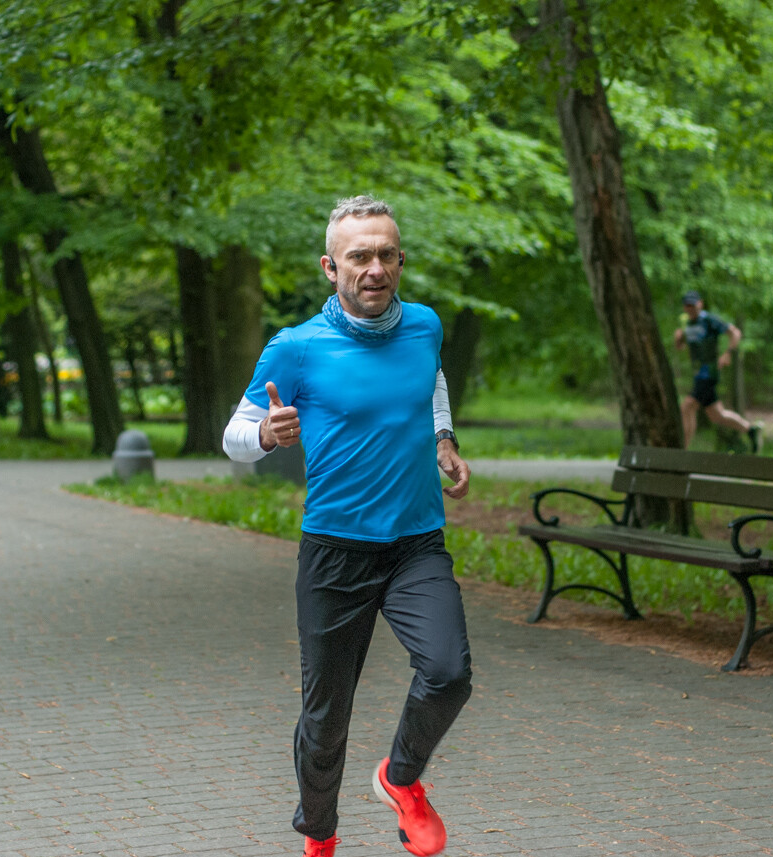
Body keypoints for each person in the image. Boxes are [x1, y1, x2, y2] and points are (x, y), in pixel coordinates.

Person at [223, 195, 473, 857]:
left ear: (400, 261)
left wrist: (443, 436)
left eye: (387, 253)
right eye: (359, 256)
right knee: (326, 719)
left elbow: (431, 378)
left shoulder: (424, 325)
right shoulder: (296, 347)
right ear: (331, 268)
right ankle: (321, 838)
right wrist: (268, 436)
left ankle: (401, 778)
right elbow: (233, 436)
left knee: (449, 671)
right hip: (336, 551)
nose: (375, 267)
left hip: (416, 543)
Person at [674, 290, 762, 453]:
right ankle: (750, 430)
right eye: (687, 306)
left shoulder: (709, 320)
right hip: (698, 373)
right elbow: (682, 347)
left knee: (687, 406)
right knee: (717, 415)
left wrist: (728, 353)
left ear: (700, 304)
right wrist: (679, 339)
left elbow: (735, 333)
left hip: (709, 373)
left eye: (693, 305)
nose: (690, 308)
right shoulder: (687, 324)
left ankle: (682, 451)